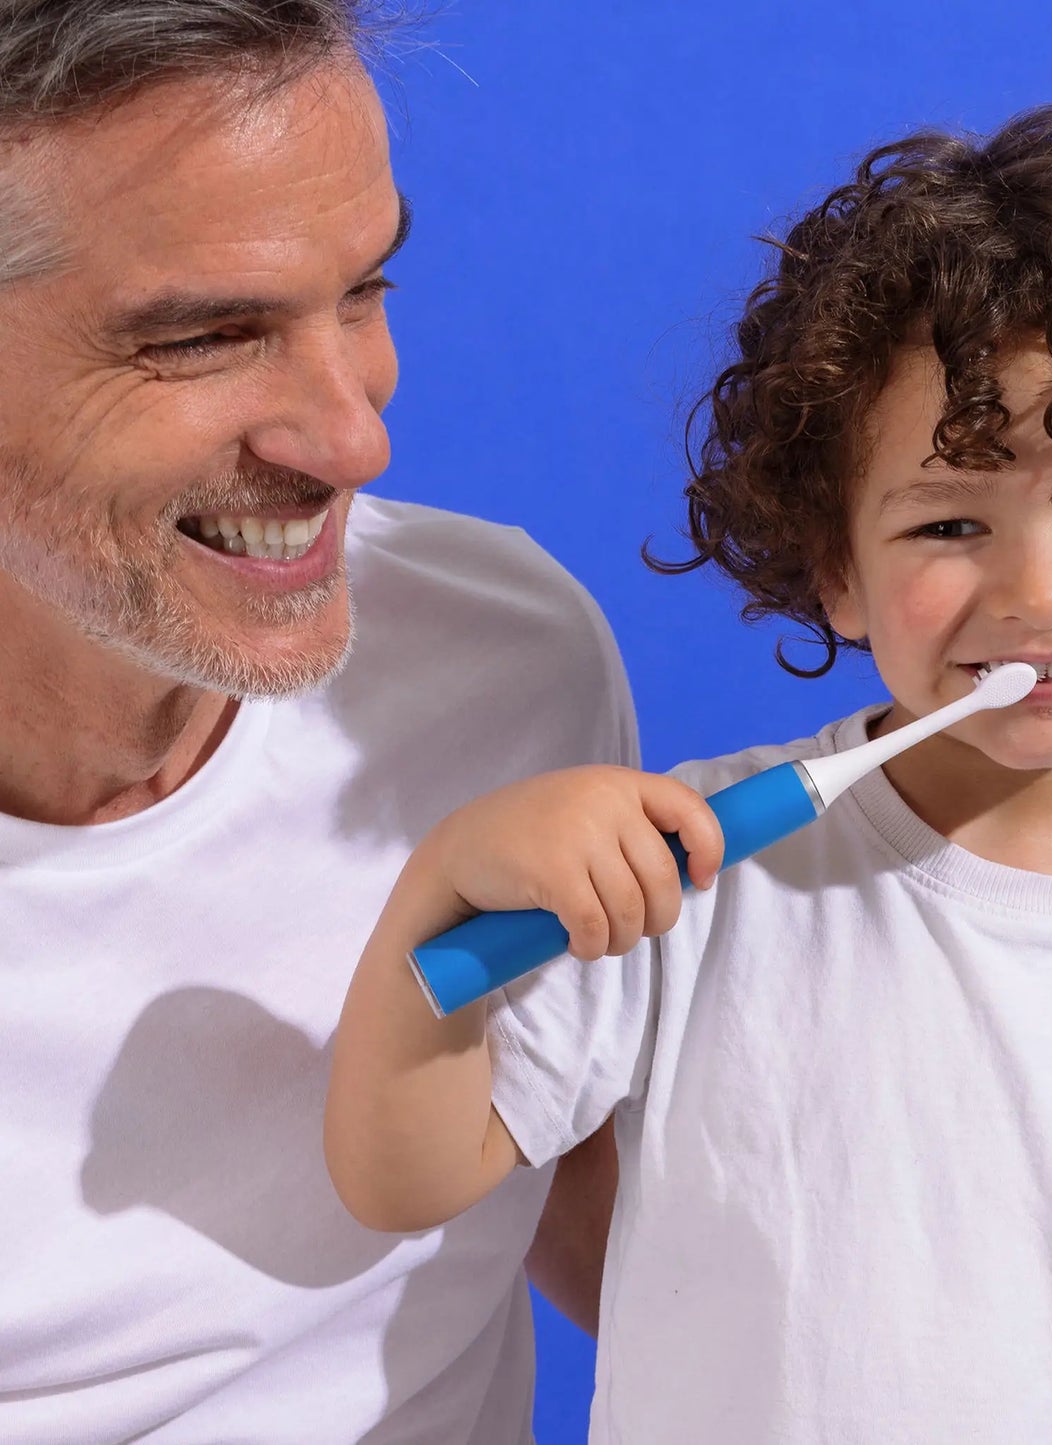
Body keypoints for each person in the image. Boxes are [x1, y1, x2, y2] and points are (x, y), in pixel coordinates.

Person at [324, 106, 1052, 1442]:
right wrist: (444, 887)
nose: (1039, 589)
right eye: (951, 520)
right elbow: (406, 1177)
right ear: (838, 570)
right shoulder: (690, 871)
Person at [0, 3, 629, 1441]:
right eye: (210, 337)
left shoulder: (507, 661)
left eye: (363, 290)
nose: (353, 438)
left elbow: (609, 1224)